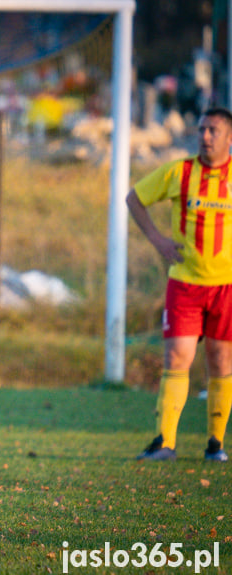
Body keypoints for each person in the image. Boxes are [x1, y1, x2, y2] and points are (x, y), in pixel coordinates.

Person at [128, 107, 232, 463]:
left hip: (226, 286)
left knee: (220, 361)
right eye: (202, 129)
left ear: (229, 138)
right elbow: (135, 198)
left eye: (213, 131)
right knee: (177, 358)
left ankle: (215, 445)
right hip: (185, 284)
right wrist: (158, 240)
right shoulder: (181, 171)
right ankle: (165, 442)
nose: (205, 136)